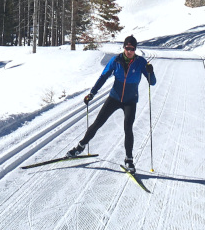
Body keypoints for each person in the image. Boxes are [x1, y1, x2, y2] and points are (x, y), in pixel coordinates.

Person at [66, 35, 157, 174]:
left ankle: (129, 160)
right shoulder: (116, 60)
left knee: (128, 128)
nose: (129, 51)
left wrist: (151, 72)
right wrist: (92, 93)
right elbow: (103, 76)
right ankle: (80, 147)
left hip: (130, 101)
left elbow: (152, 82)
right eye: (127, 48)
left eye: (132, 49)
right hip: (114, 98)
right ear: (124, 47)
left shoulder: (141, 62)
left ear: (135, 49)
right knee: (97, 123)